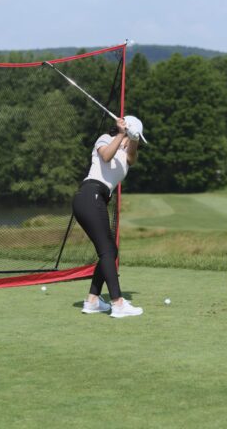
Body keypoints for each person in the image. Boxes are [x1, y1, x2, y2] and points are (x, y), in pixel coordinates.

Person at [73, 115, 145, 318]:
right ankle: (118, 303)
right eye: (134, 138)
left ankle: (93, 301)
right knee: (107, 250)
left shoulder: (128, 155)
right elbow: (105, 156)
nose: (136, 143)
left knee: (110, 251)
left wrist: (133, 138)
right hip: (89, 195)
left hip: (96, 199)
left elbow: (131, 156)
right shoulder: (105, 139)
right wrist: (122, 133)